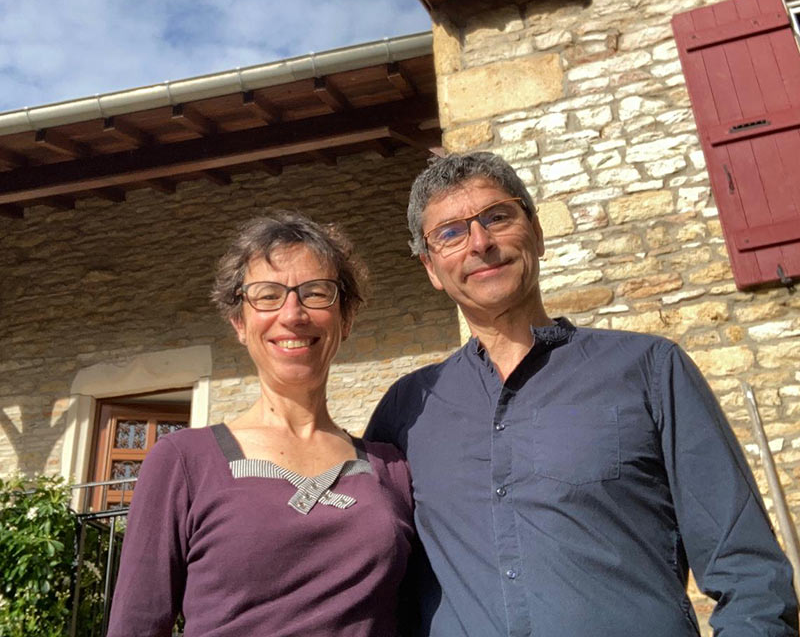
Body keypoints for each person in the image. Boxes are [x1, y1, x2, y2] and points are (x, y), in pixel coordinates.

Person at [366, 151, 798, 636]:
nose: (480, 243)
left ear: (538, 232)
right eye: (450, 233)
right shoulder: (406, 411)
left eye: (497, 217)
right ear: (430, 268)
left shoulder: (649, 370)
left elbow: (749, 575)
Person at [107, 212, 414, 637]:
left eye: (316, 293)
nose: (293, 313)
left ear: (346, 319)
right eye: (268, 295)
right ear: (239, 322)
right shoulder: (183, 463)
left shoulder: (392, 469)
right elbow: (135, 627)